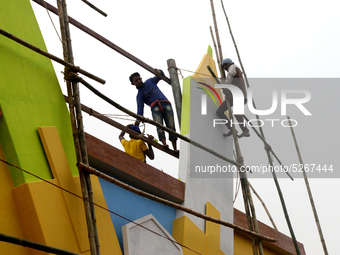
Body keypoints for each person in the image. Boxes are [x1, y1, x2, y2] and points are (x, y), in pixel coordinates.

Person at [129, 69, 178, 151]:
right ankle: (164, 144)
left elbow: (160, 76)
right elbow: (140, 110)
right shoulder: (139, 95)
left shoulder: (149, 82)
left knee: (171, 125)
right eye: (136, 80)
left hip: (165, 103)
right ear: (133, 83)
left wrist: (159, 71)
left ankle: (175, 148)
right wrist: (137, 121)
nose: (139, 81)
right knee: (159, 125)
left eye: (139, 79)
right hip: (155, 107)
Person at [216, 58, 250, 138]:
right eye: (223, 66)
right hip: (232, 97)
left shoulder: (233, 67)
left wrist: (224, 85)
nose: (225, 67)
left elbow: (229, 77)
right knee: (219, 111)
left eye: (226, 65)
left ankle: (245, 131)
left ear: (230, 63)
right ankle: (232, 129)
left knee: (236, 113)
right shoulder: (234, 69)